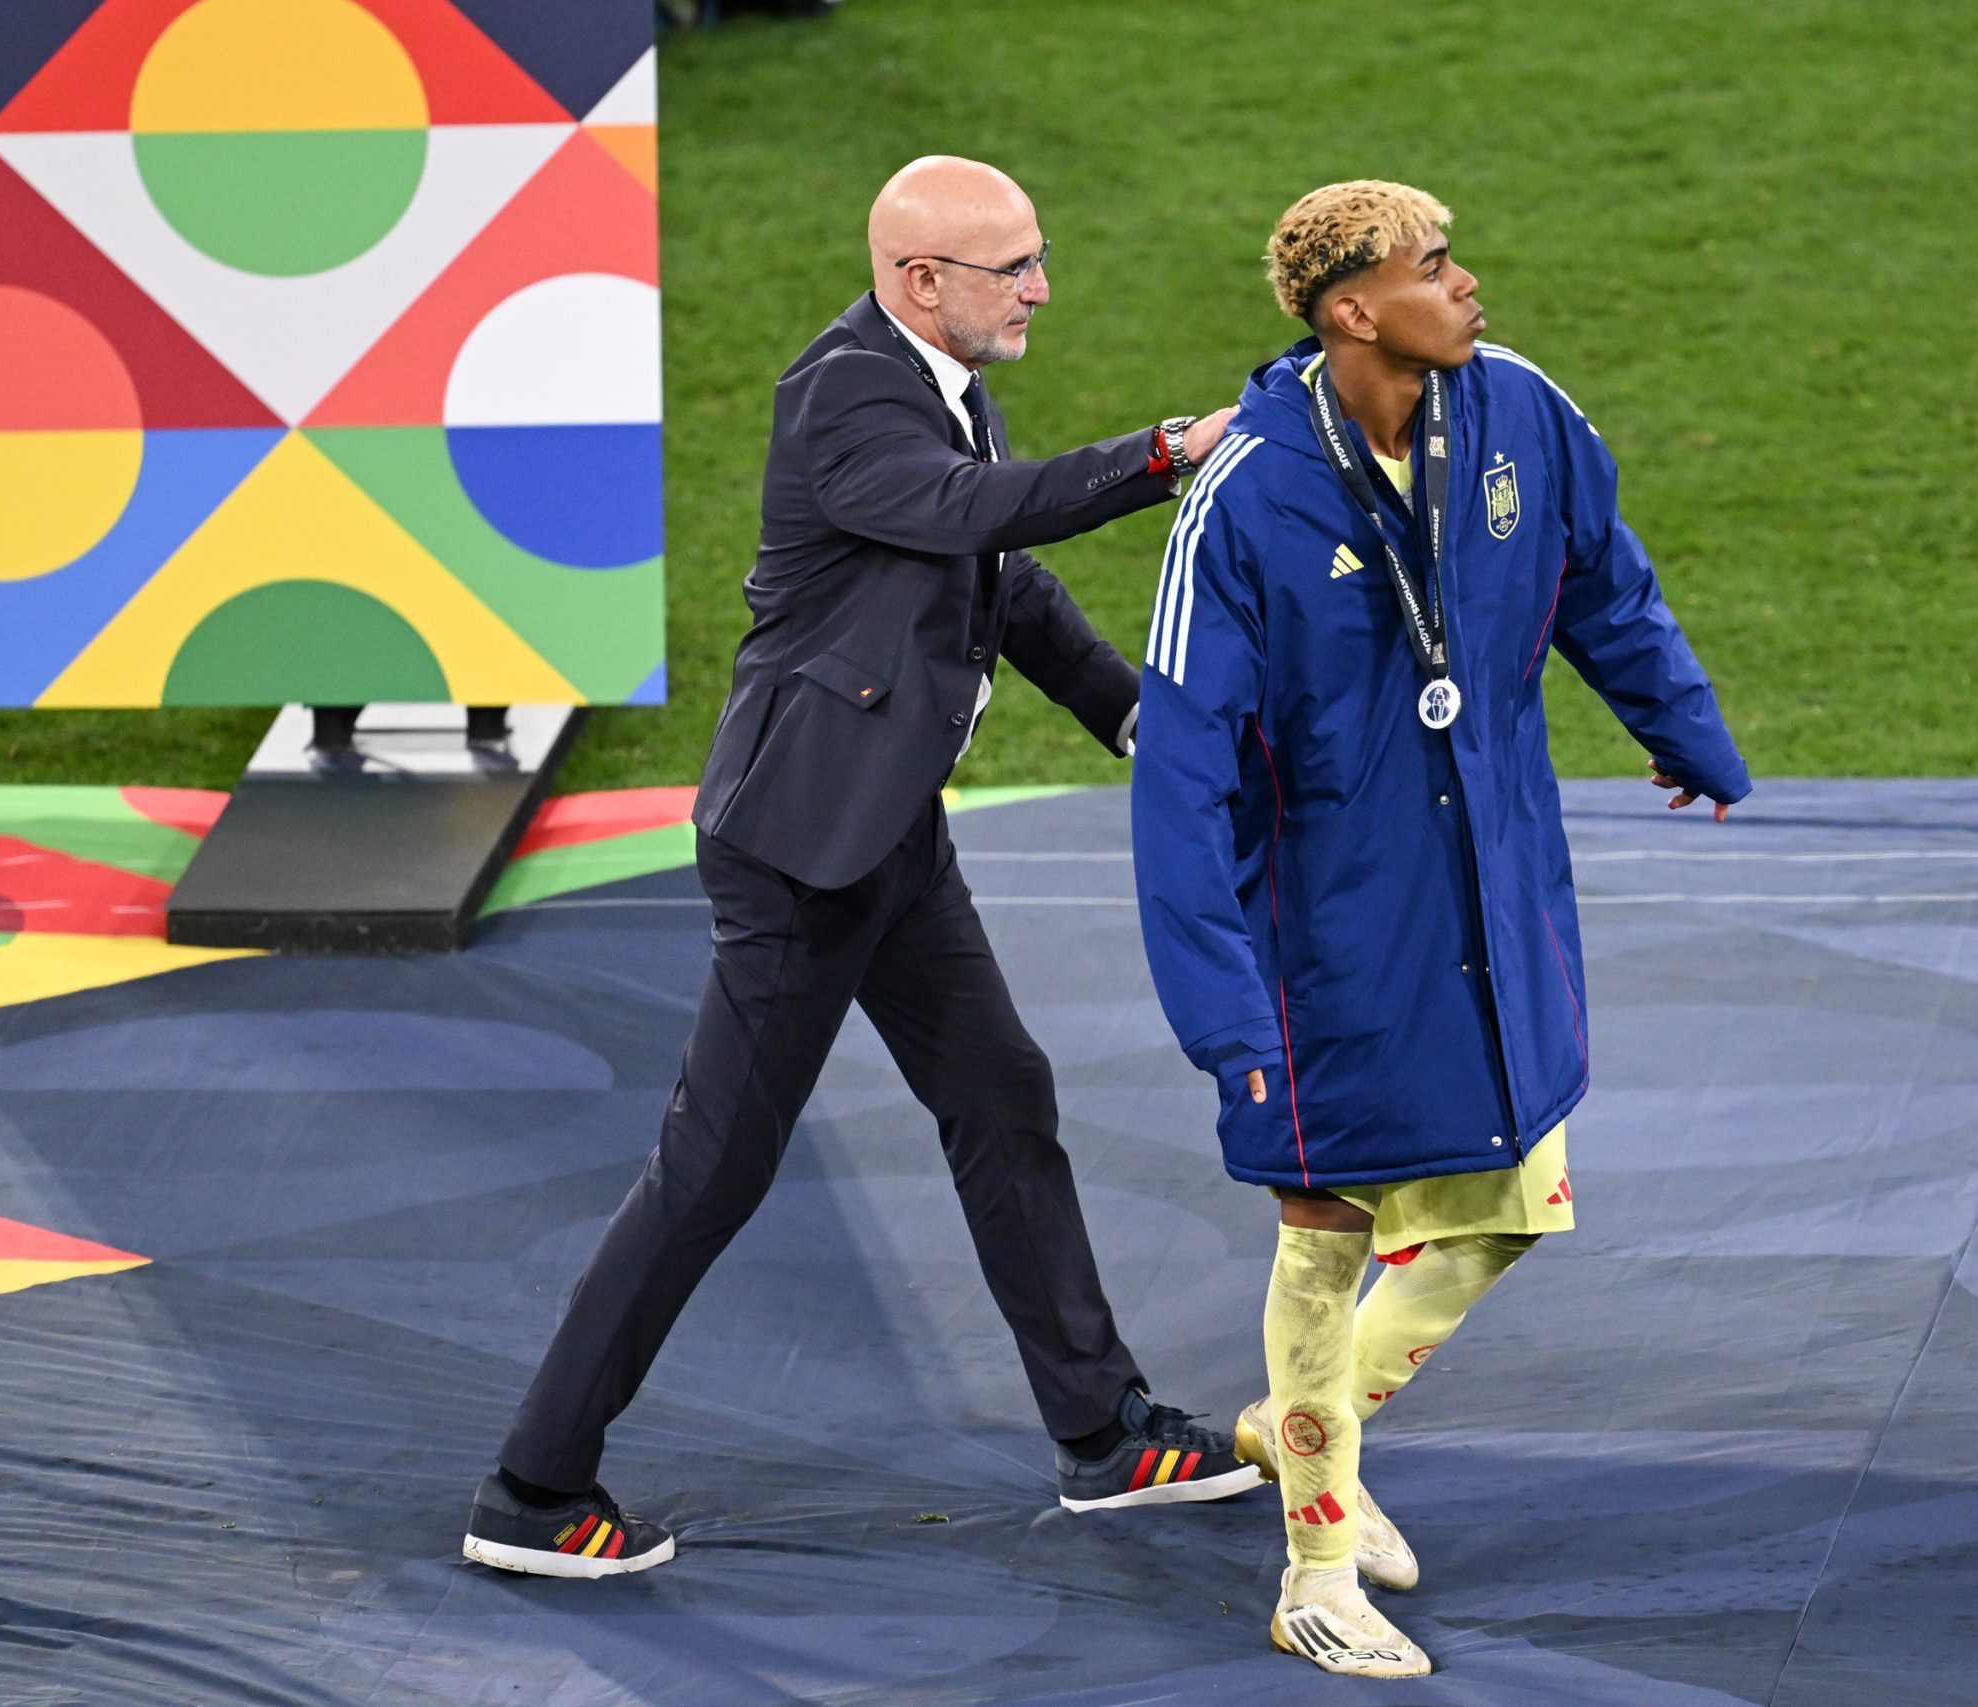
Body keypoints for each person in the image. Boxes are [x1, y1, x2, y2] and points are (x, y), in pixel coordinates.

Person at [463, 155, 1260, 1579]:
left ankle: (1101, 1436)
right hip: (801, 853)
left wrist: (1127, 707)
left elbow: (998, 585)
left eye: (1036, 254)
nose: (1041, 287)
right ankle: (533, 1487)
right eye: (1012, 266)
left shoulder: (935, 377)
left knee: (1002, 1095)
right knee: (712, 1173)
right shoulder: (843, 393)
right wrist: (1162, 454)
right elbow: (981, 520)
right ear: (918, 280)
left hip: (886, 834)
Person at [1128, 180, 1751, 1675]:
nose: (1467, 284)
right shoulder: (1248, 500)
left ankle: (1300, 1422)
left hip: (1494, 887)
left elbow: (1603, 581)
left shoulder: (1518, 411)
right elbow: (1181, 778)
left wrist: (1687, 732)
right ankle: (1315, 1570)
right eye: (1433, 266)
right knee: (1329, 1232)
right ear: (1352, 310)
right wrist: (1226, 1020)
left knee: (1511, 1205)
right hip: (1329, 933)